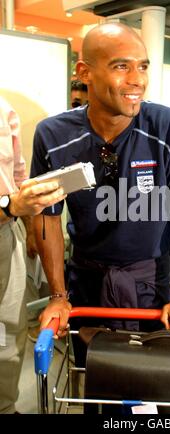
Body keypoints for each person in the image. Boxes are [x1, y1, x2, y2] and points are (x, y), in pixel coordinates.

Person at [30, 23, 170, 362]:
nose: (137, 79)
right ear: (85, 72)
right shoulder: (55, 137)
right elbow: (48, 220)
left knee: (150, 379)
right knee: (92, 375)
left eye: (143, 66)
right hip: (86, 282)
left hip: (151, 283)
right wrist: (58, 295)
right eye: (121, 66)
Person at [0, 96, 67, 414]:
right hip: (6, 214)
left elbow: (17, 178)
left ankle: (4, 404)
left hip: (4, 234)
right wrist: (11, 207)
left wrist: (27, 225)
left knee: (7, 331)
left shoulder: (3, 108)